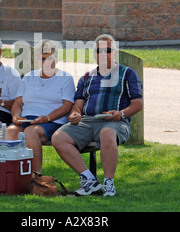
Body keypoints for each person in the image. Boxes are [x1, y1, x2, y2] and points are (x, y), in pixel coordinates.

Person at [52, 34, 143, 197]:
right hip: (87, 121)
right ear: (94, 54)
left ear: (115, 53)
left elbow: (137, 104)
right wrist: (74, 114)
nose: (103, 54)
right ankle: (89, 180)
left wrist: (121, 113)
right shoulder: (86, 77)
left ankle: (109, 183)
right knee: (58, 137)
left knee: (107, 133)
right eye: (99, 51)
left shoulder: (128, 74)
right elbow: (78, 104)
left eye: (108, 50)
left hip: (115, 122)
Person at [7, 40, 75, 173]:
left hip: (52, 121)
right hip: (26, 120)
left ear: (56, 59)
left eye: (51, 58)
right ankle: (14, 175)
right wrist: (15, 116)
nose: (47, 62)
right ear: (38, 59)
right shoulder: (28, 77)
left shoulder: (65, 78)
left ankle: (35, 177)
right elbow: (18, 103)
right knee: (10, 131)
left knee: (31, 132)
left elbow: (67, 106)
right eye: (43, 59)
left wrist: (47, 118)